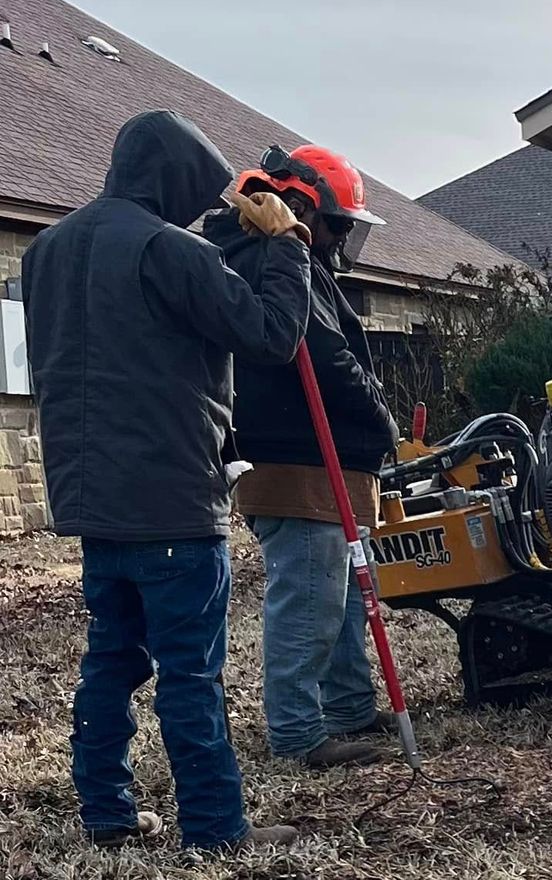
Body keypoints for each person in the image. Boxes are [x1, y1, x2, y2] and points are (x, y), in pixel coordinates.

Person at [22, 111, 313, 851]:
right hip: (176, 501)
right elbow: (273, 334)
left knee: (110, 664)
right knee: (190, 676)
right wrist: (286, 244)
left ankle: (107, 818)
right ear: (176, 179)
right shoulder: (169, 248)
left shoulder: (48, 249)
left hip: (93, 502)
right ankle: (216, 832)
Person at [203, 144, 398, 770]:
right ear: (302, 207)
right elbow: (326, 359)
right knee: (310, 602)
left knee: (337, 600)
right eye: (339, 224)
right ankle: (296, 731)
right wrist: (382, 417)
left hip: (320, 462)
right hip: (300, 464)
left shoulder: (291, 262)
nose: (343, 239)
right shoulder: (276, 261)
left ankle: (348, 707)